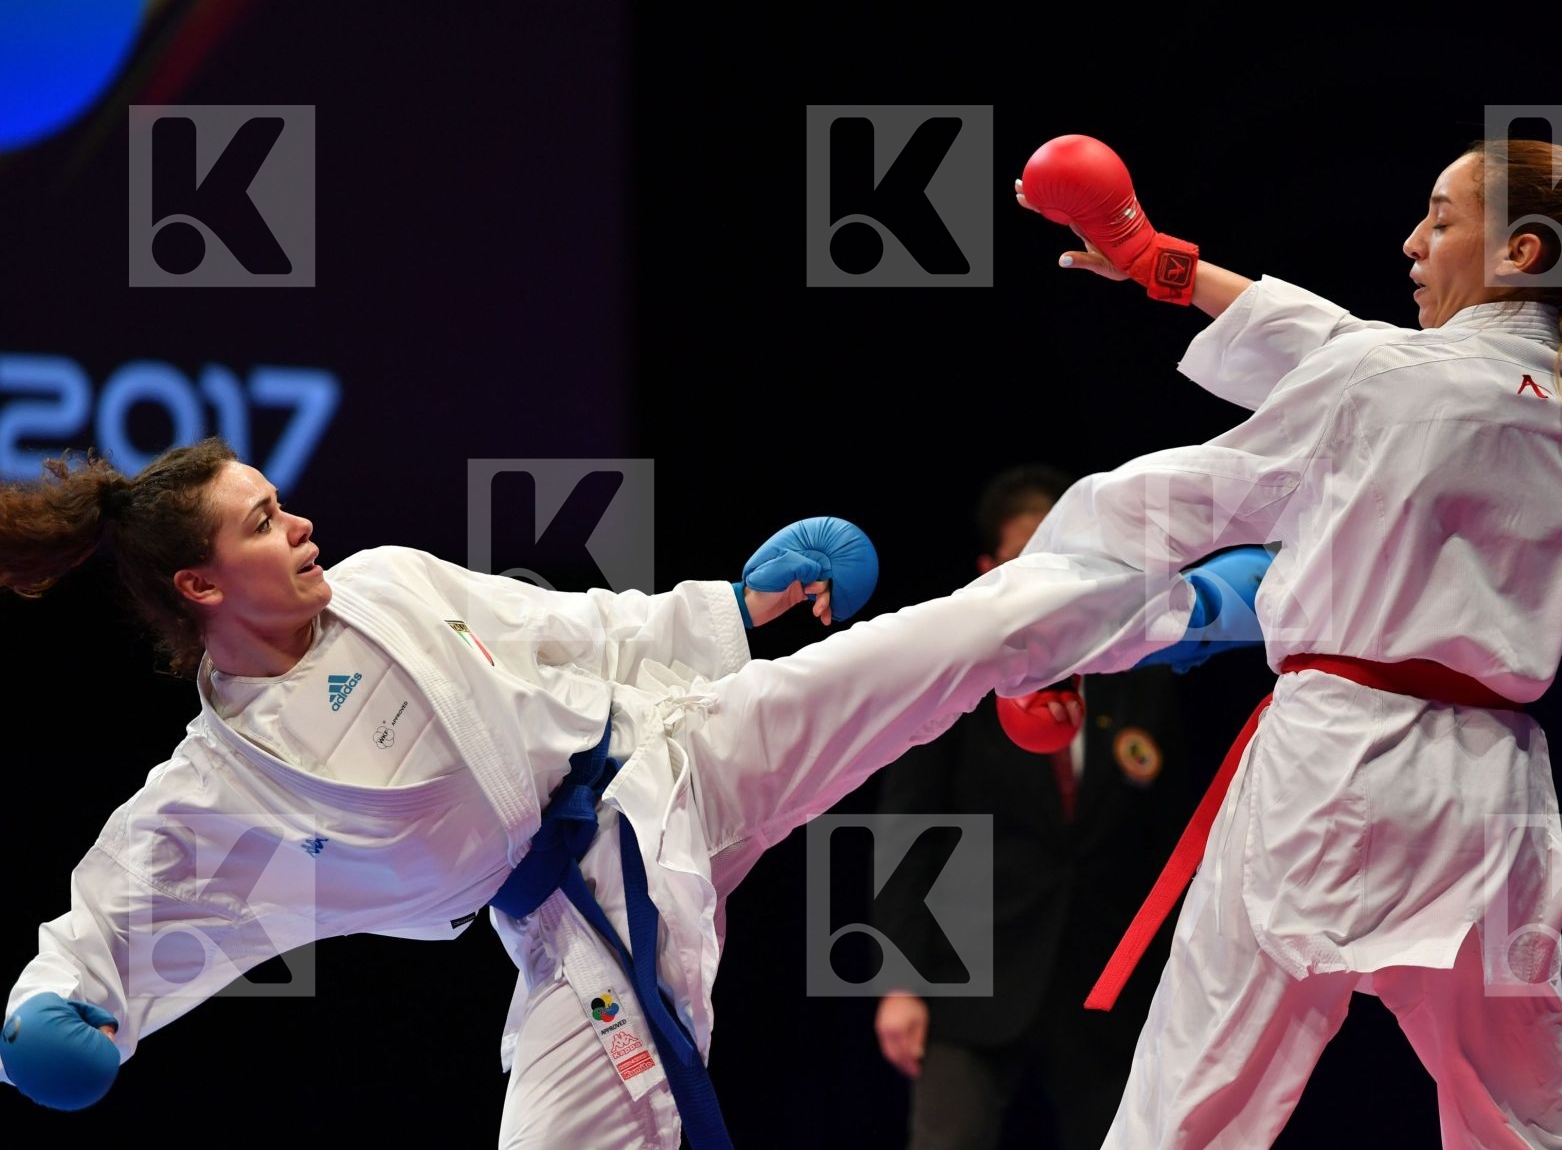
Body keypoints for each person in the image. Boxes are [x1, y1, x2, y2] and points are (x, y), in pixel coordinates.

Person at [0, 435, 1247, 1149]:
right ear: (207, 588)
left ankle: (1199, 600)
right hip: (575, 924)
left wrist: (738, 610)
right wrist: (59, 1005)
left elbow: (570, 630)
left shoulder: (386, 582)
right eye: (266, 522)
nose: (303, 523)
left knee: (952, 640)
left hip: (683, 748)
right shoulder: (223, 788)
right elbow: (115, 901)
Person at [1013, 132, 1562, 1147]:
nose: (1412, 241)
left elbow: (1177, 500)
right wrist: (1157, 261)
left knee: (1189, 1110)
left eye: (1443, 219)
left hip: (1331, 771)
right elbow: (1347, 348)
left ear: (1522, 252)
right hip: (1489, 798)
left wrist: (1037, 631)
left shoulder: (1393, 378)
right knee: (1524, 1122)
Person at [871, 462, 1269, 1150]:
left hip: (1108, 977)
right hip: (967, 970)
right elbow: (904, 827)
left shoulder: (1138, 668)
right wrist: (898, 982)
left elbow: (1171, 830)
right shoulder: (956, 673)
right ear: (989, 568)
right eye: (1023, 560)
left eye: (1057, 558)